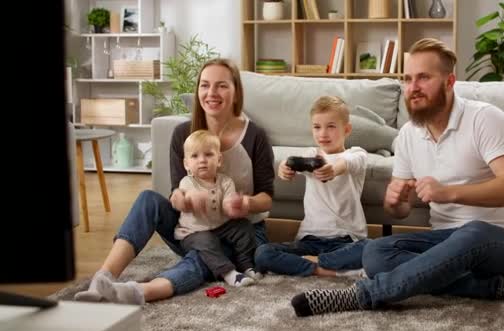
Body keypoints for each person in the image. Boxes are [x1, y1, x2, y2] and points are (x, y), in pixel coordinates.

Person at [290, 38, 504, 317]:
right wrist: (396, 201)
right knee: (376, 253)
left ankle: (365, 294)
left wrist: (449, 192)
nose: (412, 87)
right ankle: (491, 289)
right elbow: (399, 212)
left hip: (501, 242)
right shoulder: (408, 136)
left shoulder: (485, 119)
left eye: (424, 77)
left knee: (475, 230)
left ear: (450, 82)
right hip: (443, 243)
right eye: (408, 78)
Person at [75, 58, 274, 305]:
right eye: (204, 85)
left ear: (236, 93)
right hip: (192, 230)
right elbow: (176, 192)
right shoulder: (183, 134)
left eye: (221, 86)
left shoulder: (255, 135)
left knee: (205, 257)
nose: (211, 93)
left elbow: (267, 197)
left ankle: (140, 292)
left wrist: (244, 204)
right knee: (149, 200)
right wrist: (184, 200)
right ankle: (103, 278)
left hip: (239, 234)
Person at [255, 96, 368, 278]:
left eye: (331, 126)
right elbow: (292, 162)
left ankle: (311, 262)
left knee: (372, 248)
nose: (323, 133)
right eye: (317, 127)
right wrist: (284, 167)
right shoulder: (311, 154)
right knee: (263, 253)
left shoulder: (357, 154)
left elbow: (347, 163)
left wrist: (333, 170)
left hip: (346, 240)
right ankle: (326, 269)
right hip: (309, 241)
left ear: (346, 129)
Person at [176, 130, 261, 287]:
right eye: (195, 156)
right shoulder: (187, 183)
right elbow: (183, 200)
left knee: (244, 226)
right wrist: (190, 199)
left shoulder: (226, 182)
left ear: (219, 159)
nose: (202, 160)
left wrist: (234, 205)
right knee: (205, 240)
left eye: (208, 155)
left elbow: (228, 206)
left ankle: (245, 263)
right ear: (186, 164)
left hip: (222, 227)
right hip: (193, 232)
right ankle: (228, 273)